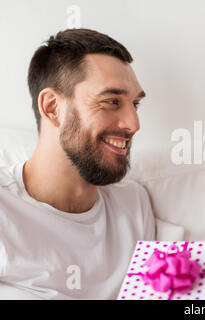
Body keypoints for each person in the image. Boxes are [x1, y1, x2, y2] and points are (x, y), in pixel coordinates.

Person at [0, 29, 155, 299]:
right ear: (52, 107)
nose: (134, 124)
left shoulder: (134, 205)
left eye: (135, 104)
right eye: (111, 101)